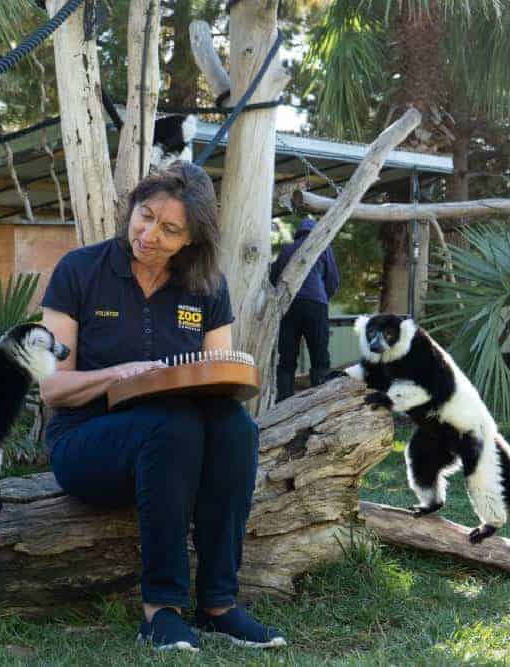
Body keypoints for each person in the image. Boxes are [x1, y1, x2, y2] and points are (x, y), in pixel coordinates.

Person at [39, 163, 285, 652]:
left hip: (179, 448)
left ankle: (219, 604)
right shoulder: (80, 271)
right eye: (144, 216)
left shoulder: (207, 287)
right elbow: (51, 388)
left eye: (169, 229)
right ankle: (161, 610)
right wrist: (118, 374)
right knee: (171, 426)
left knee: (235, 427)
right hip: (86, 443)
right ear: (132, 209)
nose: (149, 234)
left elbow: (219, 379)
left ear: (191, 240)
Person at [269, 216, 340, 402]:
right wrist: (323, 297)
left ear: (298, 233)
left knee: (287, 358)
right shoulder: (323, 247)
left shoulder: (287, 249)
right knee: (320, 356)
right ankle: (322, 402)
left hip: (290, 305)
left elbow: (273, 277)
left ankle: (283, 402)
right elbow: (333, 280)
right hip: (316, 305)